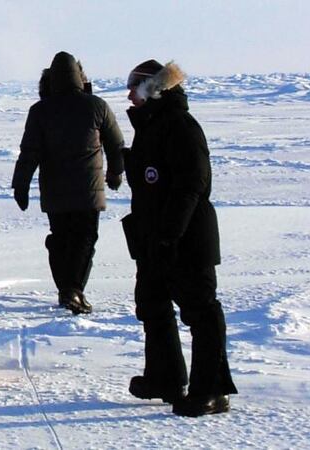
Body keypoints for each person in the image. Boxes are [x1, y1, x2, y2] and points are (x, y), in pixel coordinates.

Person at [121, 59, 237, 417]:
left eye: (134, 86)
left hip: (187, 239)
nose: (128, 94)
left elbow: (191, 184)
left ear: (153, 88)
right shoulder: (153, 127)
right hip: (155, 237)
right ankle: (165, 378)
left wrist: (170, 234)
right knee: (152, 305)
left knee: (200, 312)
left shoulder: (181, 127)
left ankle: (212, 390)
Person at [12, 51, 124, 314]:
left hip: (56, 192)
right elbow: (116, 145)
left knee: (61, 239)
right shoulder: (97, 106)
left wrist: (21, 184)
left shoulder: (40, 111)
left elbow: (30, 152)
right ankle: (73, 291)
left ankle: (68, 290)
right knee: (84, 239)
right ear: (80, 77)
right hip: (88, 191)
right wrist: (115, 173)